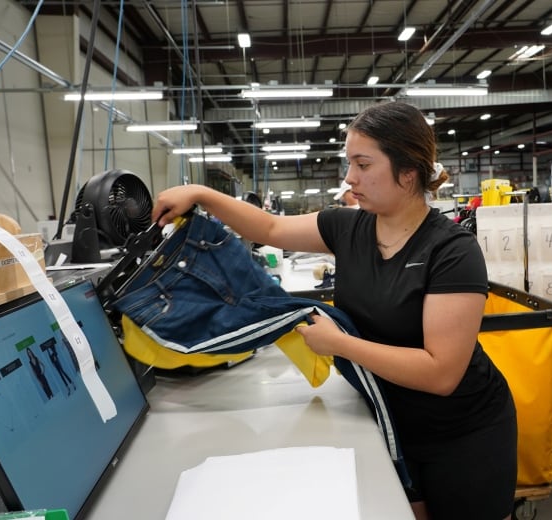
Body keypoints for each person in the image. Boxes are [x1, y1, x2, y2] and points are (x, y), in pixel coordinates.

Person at [152, 101, 518, 520]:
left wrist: (341, 345)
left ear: (408, 172)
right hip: (390, 420)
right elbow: (270, 228)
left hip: (463, 432)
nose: (350, 177)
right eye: (350, 163)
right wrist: (200, 194)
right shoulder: (349, 227)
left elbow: (441, 373)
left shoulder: (452, 251)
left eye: (363, 164)